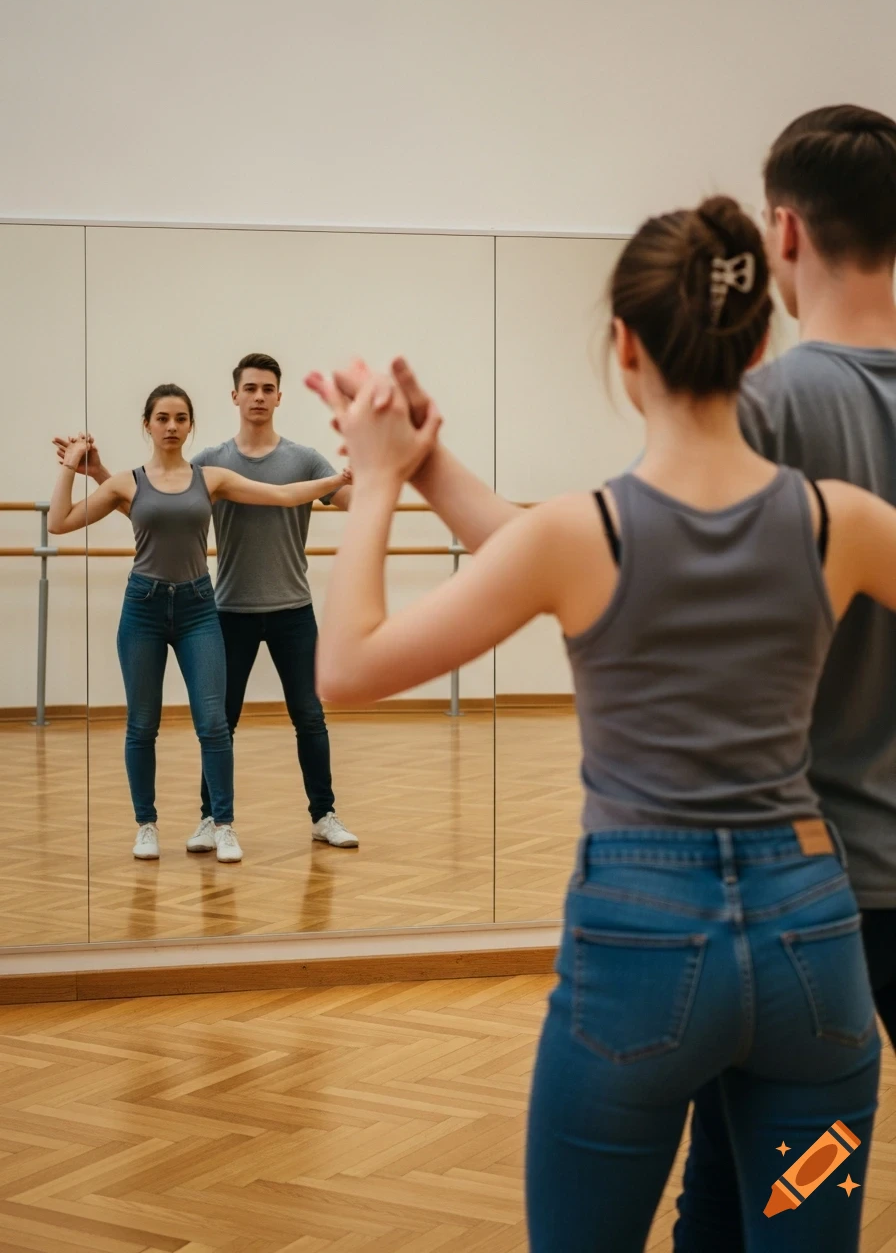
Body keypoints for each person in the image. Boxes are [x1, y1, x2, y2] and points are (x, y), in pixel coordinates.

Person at [305, 193, 896, 1251]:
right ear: (757, 344)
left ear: (624, 345)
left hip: (640, 954)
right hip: (813, 956)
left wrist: (381, 479)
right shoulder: (837, 522)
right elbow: (530, 546)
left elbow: (347, 666)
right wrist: (426, 461)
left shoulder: (580, 536)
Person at [671, 105, 896, 1252]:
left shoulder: (761, 407)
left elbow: (622, 569)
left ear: (785, 231)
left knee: (741, 1178)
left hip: (800, 888)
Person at [55, 352, 358, 855]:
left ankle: (306, 815)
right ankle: (195, 820)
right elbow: (146, 501)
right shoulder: (209, 462)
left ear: (278, 396)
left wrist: (352, 475)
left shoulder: (274, 464)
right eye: (250, 388)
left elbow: (311, 498)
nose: (258, 396)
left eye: (267, 388)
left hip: (271, 607)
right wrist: (88, 470)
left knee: (292, 716)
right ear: (234, 396)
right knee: (192, 722)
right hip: (216, 607)